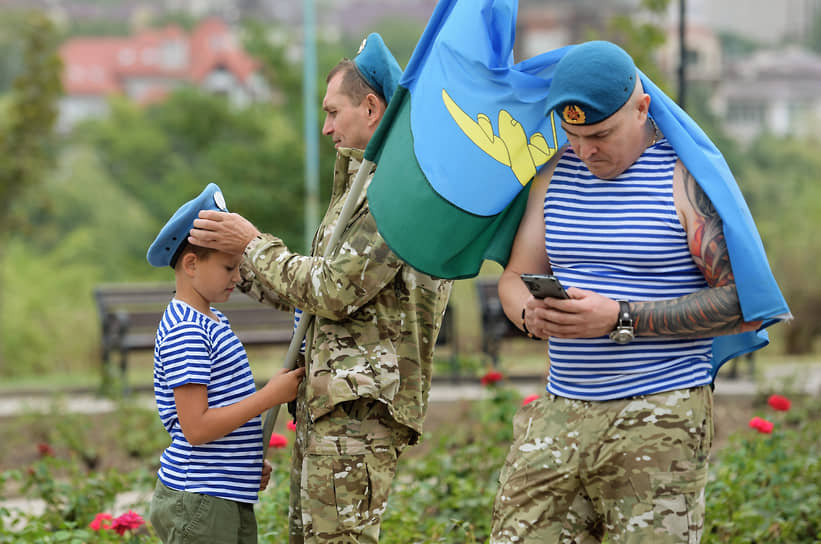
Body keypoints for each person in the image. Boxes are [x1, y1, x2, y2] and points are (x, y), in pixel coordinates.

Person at [490, 41, 769, 543]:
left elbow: (743, 304)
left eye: (600, 135)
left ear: (642, 107)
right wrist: (530, 314)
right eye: (573, 135)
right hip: (559, 410)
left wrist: (621, 317)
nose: (586, 150)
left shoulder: (684, 179)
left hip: (660, 411)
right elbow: (514, 277)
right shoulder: (555, 174)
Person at [187, 34, 453, 543]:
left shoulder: (395, 193)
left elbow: (332, 291)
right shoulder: (361, 187)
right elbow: (309, 295)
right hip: (328, 409)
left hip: (358, 416)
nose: (326, 126)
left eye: (334, 111)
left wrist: (252, 244)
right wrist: (231, 264)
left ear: (372, 106)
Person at [146, 183, 305, 544]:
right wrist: (270, 397)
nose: (238, 277)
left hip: (221, 493)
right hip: (200, 501)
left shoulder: (213, 319)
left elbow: (222, 409)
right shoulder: (186, 330)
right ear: (191, 263)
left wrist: (241, 467)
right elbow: (197, 428)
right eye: (229, 267)